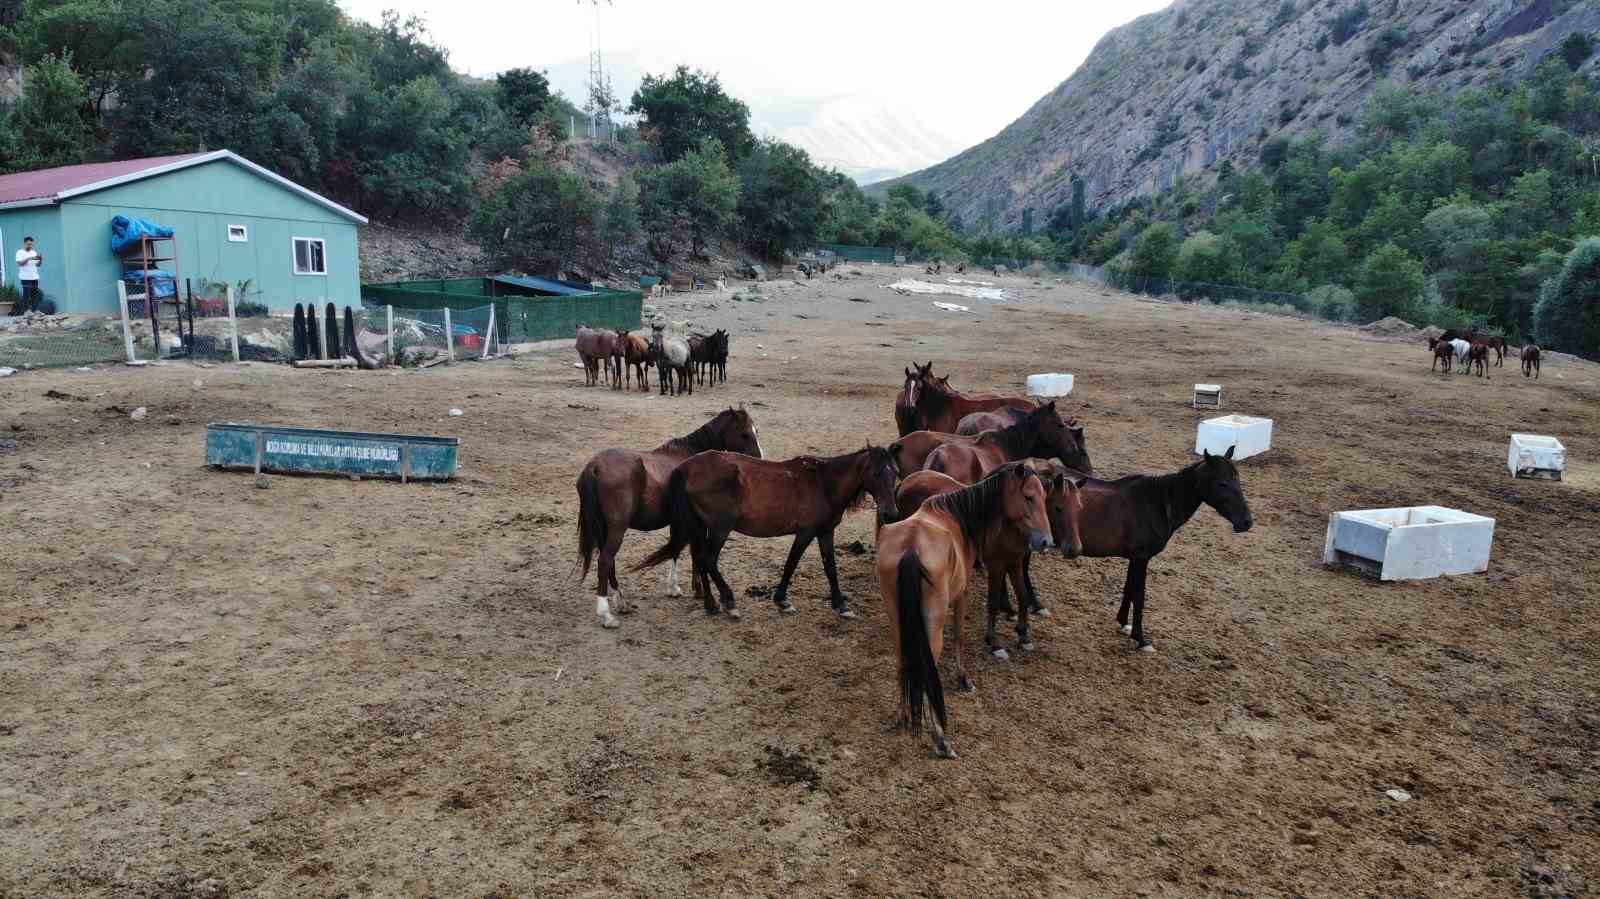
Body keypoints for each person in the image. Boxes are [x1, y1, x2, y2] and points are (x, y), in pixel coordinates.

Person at [14, 236, 42, 314]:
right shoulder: (20, 252)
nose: (30, 246)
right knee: (26, 295)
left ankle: (35, 310)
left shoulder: (34, 252)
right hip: (25, 277)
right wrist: (28, 258)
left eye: (31, 244)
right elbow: (20, 263)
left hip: (34, 276)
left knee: (35, 294)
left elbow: (38, 265)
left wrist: (40, 260)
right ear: (24, 243)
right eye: (28, 244)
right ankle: (27, 311)